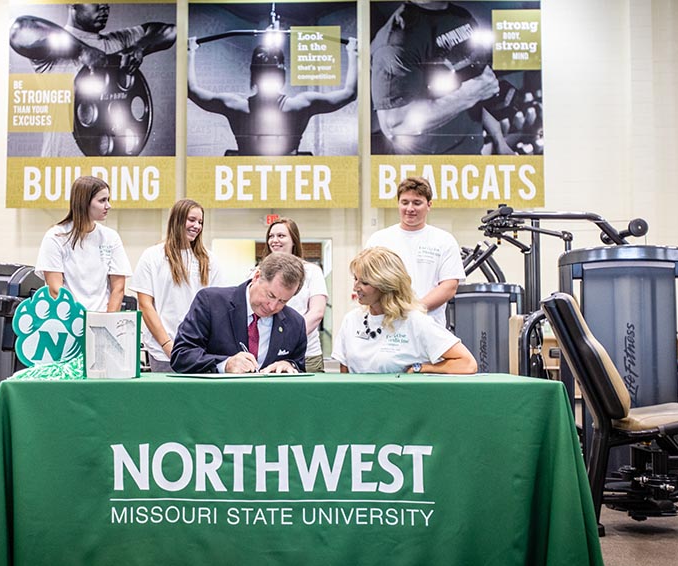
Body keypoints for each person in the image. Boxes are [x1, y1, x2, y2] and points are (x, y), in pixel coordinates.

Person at [9, 3, 176, 156]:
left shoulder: (120, 40)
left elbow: (172, 31)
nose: (104, 6)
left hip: (109, 171)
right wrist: (82, 51)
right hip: (63, 168)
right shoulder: (52, 45)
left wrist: (139, 46)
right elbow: (19, 30)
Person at [370, 1, 512, 155]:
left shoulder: (462, 16)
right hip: (429, 167)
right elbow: (396, 126)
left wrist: (499, 141)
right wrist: (468, 95)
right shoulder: (397, 42)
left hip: (472, 154)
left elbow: (478, 87)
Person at [187, 36, 358, 156]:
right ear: (281, 74)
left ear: (253, 74)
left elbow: (192, 90)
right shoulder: (301, 104)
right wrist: (353, 53)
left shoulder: (235, 105)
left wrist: (190, 52)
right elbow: (349, 93)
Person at [333, 247, 476, 374]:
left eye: (364, 283)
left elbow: (467, 364)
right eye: (355, 279)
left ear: (386, 285)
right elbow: (344, 371)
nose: (355, 287)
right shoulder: (351, 320)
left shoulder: (415, 321)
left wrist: (424, 368)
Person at [171, 252, 307, 374]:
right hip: (216, 398)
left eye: (282, 301)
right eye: (270, 295)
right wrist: (225, 364)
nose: (272, 307)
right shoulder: (210, 303)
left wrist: (289, 365)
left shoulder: (296, 323)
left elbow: (299, 366)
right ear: (257, 277)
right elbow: (181, 355)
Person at [130, 199, 225, 373]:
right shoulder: (152, 256)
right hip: (162, 352)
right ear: (177, 219)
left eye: (200, 222)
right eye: (192, 220)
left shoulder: (210, 260)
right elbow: (145, 305)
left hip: (200, 352)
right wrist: (167, 345)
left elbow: (217, 308)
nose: (197, 226)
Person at [366, 176, 464, 327]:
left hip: (429, 327)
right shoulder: (379, 240)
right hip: (386, 325)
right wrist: (393, 311)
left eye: (417, 203)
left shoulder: (444, 240)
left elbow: (449, 286)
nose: (410, 209)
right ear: (398, 204)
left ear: (429, 205)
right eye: (405, 202)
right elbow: (368, 281)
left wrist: (413, 312)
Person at [35, 175, 131, 312]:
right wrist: (77, 322)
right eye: (102, 200)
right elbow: (56, 290)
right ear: (84, 202)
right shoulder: (55, 237)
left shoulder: (111, 237)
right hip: (68, 321)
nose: (108, 206)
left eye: (108, 200)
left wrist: (106, 324)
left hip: (101, 322)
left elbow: (118, 288)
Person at [261, 218, 328, 372]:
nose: (274, 240)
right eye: (271, 236)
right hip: (267, 354)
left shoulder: (312, 272)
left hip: (306, 355)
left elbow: (317, 313)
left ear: (294, 241)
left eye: (281, 236)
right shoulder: (257, 273)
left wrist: (288, 340)